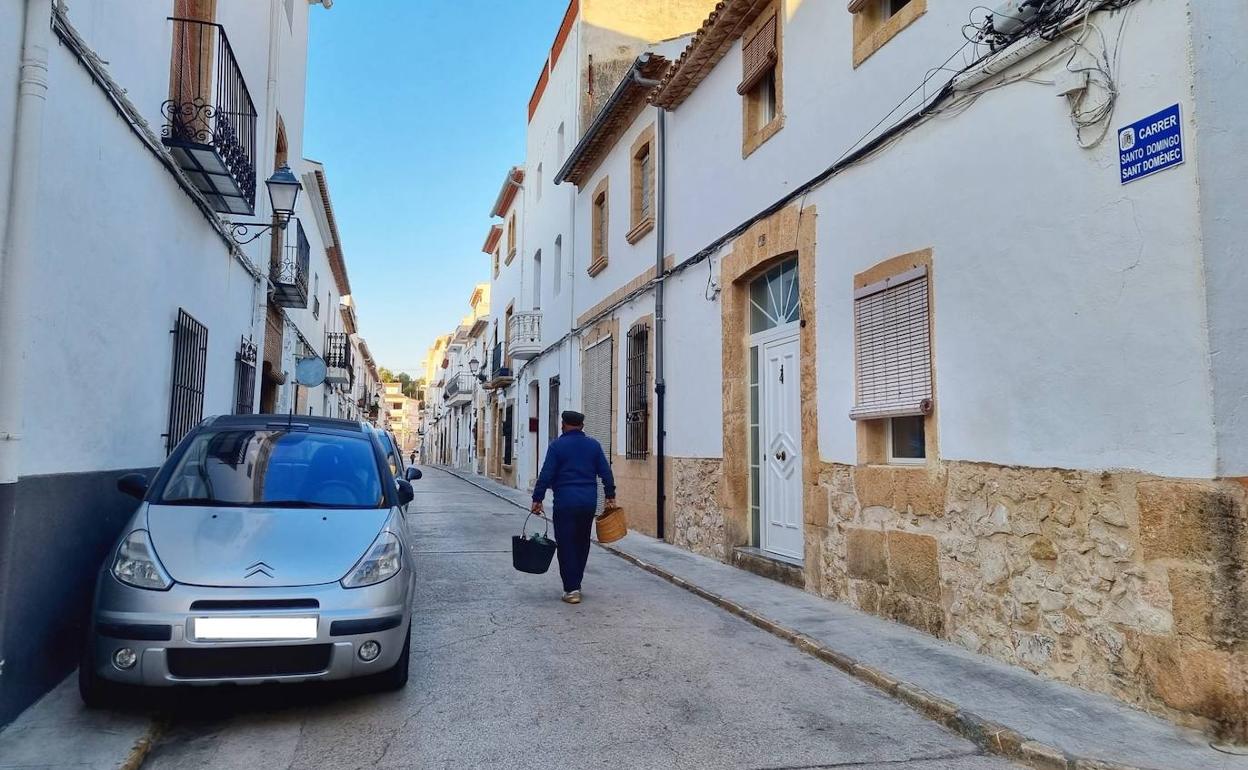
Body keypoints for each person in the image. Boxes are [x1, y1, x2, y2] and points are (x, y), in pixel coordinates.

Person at [531, 410, 616, 604]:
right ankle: (576, 582)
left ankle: (571, 589)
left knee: (566, 544)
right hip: (587, 503)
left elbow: (546, 474)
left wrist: (538, 498)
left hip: (565, 503)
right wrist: (610, 495)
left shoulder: (557, 446)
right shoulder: (593, 446)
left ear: (563, 424)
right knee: (582, 542)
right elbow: (606, 473)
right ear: (582, 426)